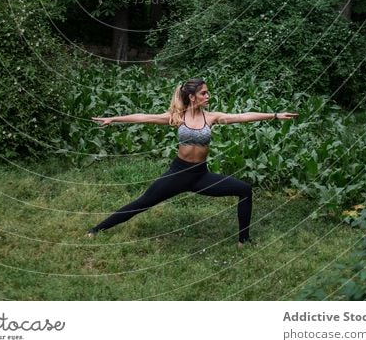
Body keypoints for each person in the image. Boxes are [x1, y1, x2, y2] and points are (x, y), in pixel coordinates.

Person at [87, 77, 298, 247]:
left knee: (244, 189)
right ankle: (96, 230)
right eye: (203, 93)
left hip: (200, 176)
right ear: (192, 96)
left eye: (207, 92)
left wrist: (275, 115)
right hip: (177, 174)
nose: (208, 96)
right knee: (143, 203)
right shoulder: (177, 117)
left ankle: (244, 240)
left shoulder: (212, 117)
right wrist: (114, 119)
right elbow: (143, 117)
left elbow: (243, 116)